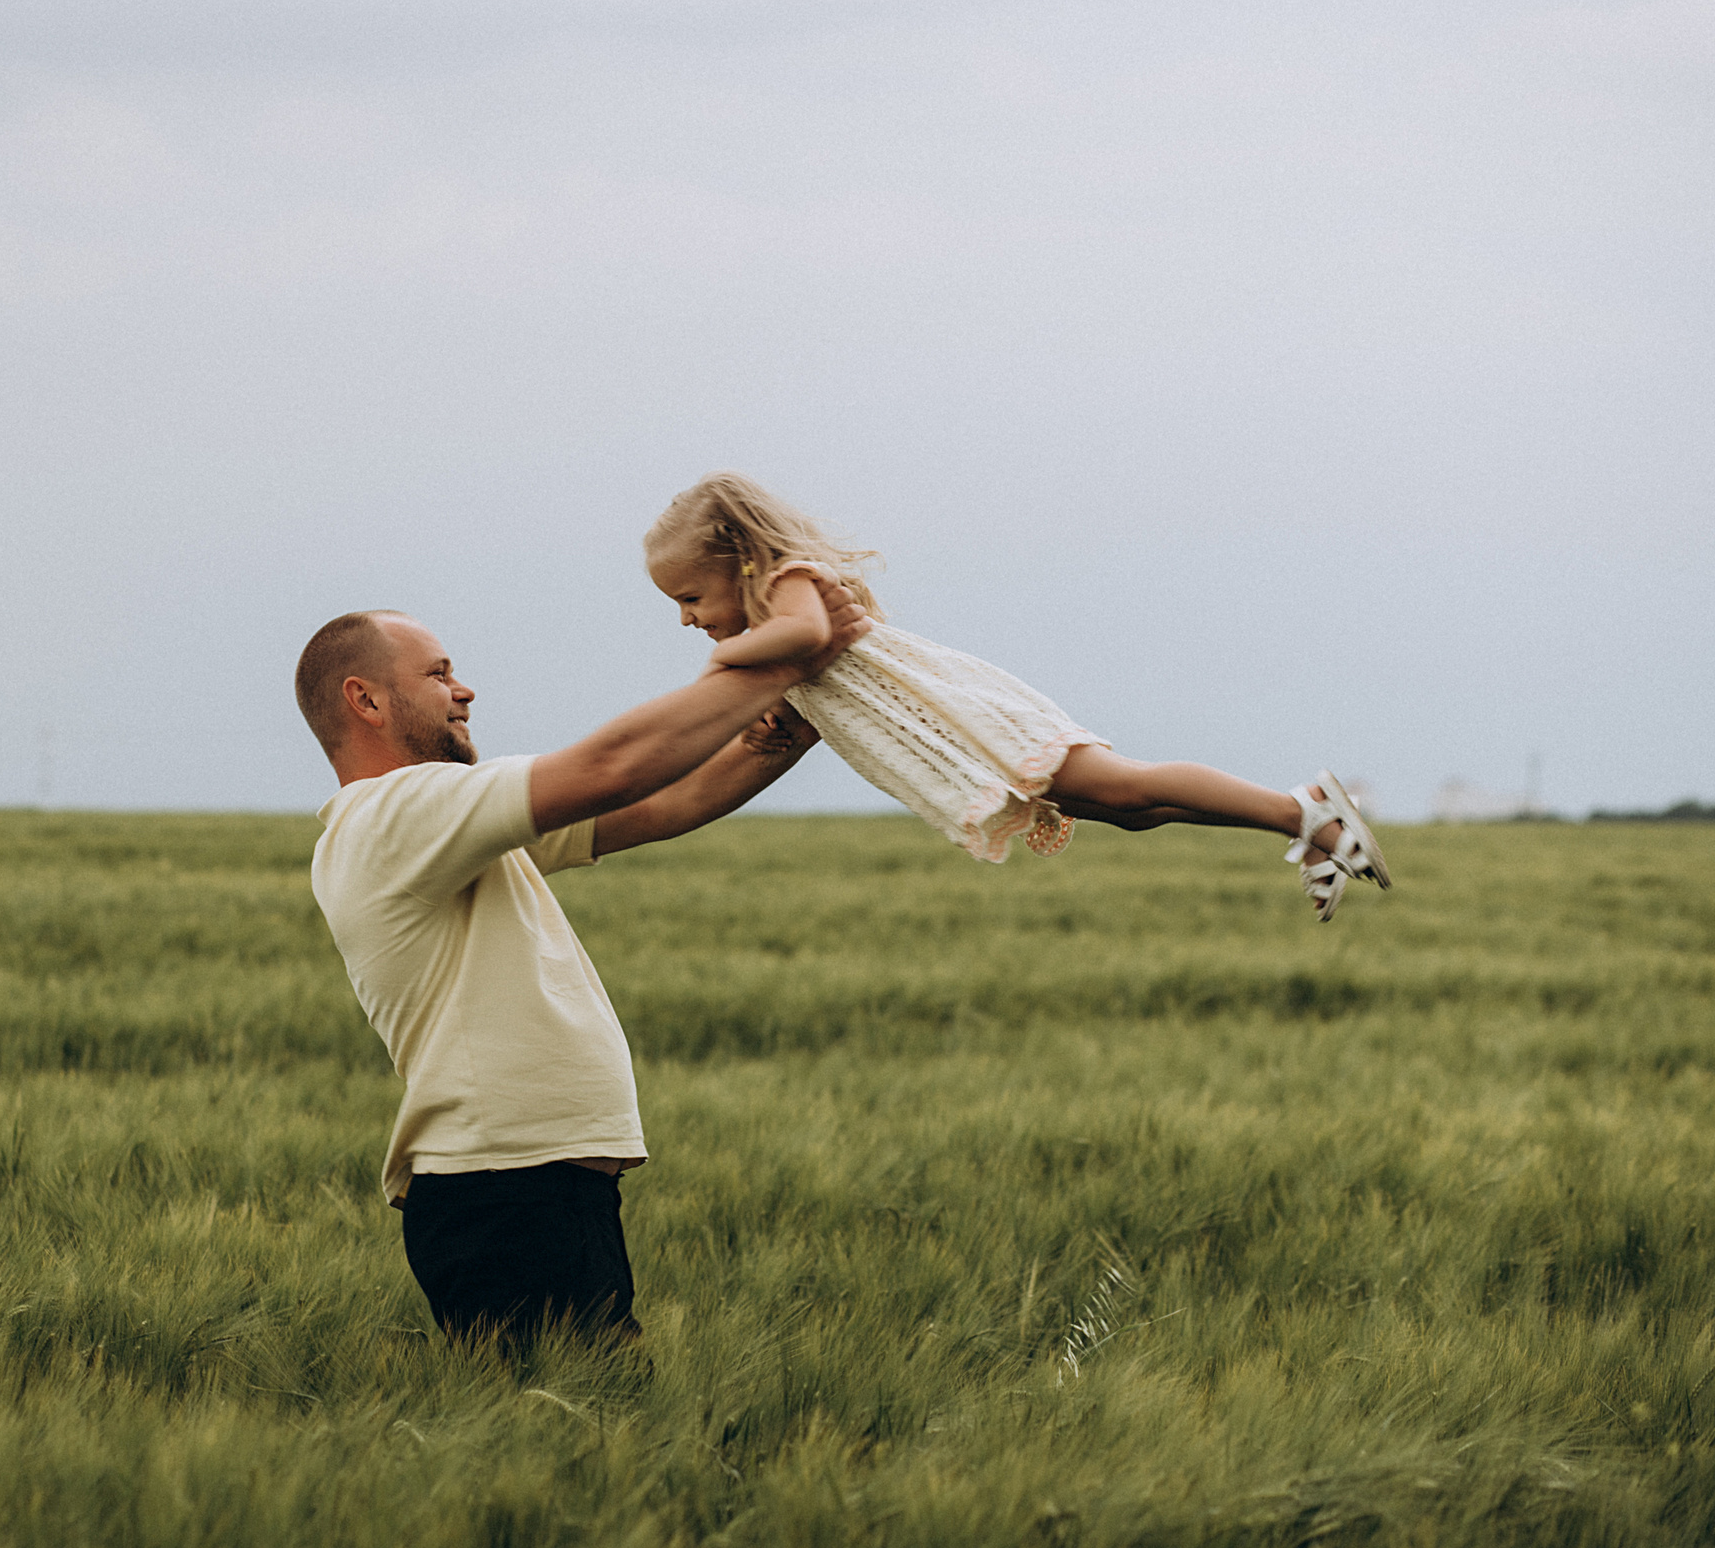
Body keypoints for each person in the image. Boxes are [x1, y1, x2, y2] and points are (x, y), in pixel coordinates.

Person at [297, 599, 868, 1346]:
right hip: (504, 1191)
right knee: (590, 1434)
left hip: (534, 1187)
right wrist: (786, 661)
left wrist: (782, 732)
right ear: (364, 698)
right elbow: (610, 767)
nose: (464, 689)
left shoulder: (433, 827)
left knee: (590, 1436)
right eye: (439, 674)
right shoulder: (394, 815)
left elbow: (661, 800)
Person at [644, 472, 1393, 921]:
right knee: (1126, 814)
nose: (686, 619)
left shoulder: (789, 586)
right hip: (957, 743)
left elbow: (805, 633)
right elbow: (801, 685)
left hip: (973, 721)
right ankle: (1310, 823)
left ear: (740, 561)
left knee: (1124, 784)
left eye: (690, 596)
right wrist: (771, 715)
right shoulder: (778, 630)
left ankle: (1305, 809)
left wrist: (727, 664)